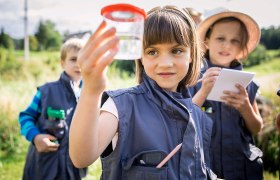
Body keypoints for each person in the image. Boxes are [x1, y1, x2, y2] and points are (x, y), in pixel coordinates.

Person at [69, 5, 217, 179]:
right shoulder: (121, 106)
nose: (165, 63)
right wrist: (91, 91)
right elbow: (81, 157)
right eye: (152, 51)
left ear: (191, 54)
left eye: (176, 51)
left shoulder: (196, 114)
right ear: (141, 56)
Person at [189, 9, 264, 179]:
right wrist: (203, 92)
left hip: (242, 169)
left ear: (241, 47)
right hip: (206, 168)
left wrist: (246, 108)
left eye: (235, 41)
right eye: (220, 38)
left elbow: (257, 127)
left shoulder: (248, 84)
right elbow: (183, 122)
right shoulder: (193, 81)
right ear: (207, 40)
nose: (227, 45)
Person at [18, 38, 87, 180]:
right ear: (62, 63)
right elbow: (25, 117)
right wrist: (36, 137)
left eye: (83, 59)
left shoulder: (90, 96)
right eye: (73, 59)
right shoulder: (46, 92)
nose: (79, 64)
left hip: (74, 170)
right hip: (44, 167)